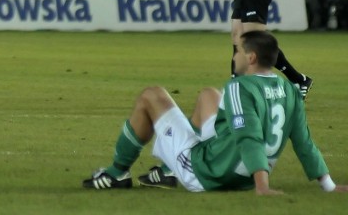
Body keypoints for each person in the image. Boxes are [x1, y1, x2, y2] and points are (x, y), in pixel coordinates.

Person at [82, 31, 348, 195]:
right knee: (208, 95)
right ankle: (166, 171)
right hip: (241, 176)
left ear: (252, 58)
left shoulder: (239, 87)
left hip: (206, 173)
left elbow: (249, 137)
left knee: (151, 96)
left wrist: (262, 187)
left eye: (239, 52)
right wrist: (328, 184)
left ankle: (117, 174)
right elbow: (304, 142)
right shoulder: (290, 91)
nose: (235, 57)